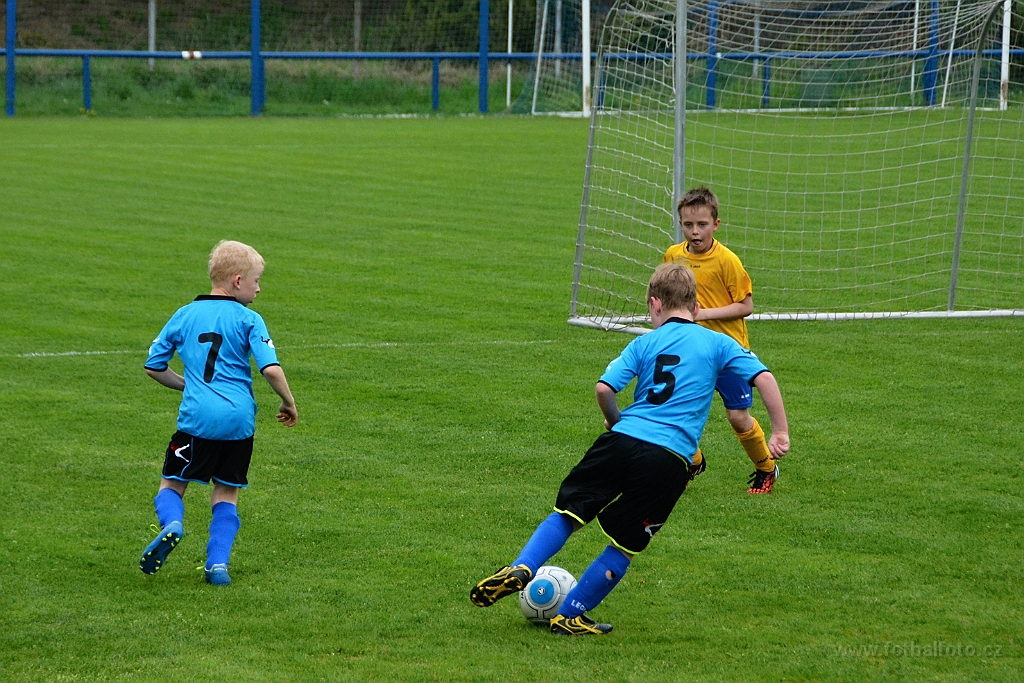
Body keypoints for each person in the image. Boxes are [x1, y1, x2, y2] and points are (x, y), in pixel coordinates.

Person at [470, 263, 790, 635]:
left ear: (654, 304)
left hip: (620, 440)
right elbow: (763, 377)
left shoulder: (644, 342)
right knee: (624, 544)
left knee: (569, 512)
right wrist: (779, 432)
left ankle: (524, 566)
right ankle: (570, 615)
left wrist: (615, 420)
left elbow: (604, 389)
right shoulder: (718, 343)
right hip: (667, 458)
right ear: (698, 308)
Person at [139, 240, 298, 585]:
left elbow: (154, 366)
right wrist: (288, 402)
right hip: (239, 422)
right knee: (227, 492)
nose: (259, 288)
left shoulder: (184, 314)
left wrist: (189, 385)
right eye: (257, 281)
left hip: (197, 419)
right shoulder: (249, 319)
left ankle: (173, 524)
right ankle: (217, 566)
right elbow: (271, 369)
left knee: (173, 483)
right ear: (238, 281)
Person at [663, 186, 780, 494]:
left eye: (702, 224)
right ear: (680, 224)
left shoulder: (727, 261)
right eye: (688, 224)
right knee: (673, 410)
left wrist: (702, 314)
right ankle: (693, 461)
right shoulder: (674, 256)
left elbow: (746, 306)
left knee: (738, 417)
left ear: (715, 224)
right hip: (691, 351)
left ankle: (766, 468)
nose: (695, 231)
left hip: (728, 351)